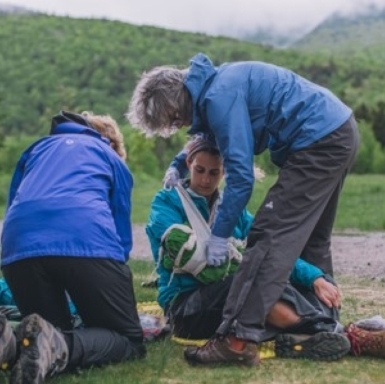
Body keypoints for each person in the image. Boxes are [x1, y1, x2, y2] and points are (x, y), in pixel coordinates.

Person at [127, 52, 360, 366]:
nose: (177, 126)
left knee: (269, 234)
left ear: (175, 103)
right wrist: (177, 163)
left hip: (317, 140)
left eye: (172, 120)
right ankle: (323, 325)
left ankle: (237, 341)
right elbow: (204, 139)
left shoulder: (218, 98)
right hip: (338, 130)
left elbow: (240, 176)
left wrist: (219, 236)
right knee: (311, 238)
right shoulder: (215, 86)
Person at [146, 135, 350, 362]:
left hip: (227, 301)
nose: (205, 180)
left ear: (223, 172)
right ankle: (320, 328)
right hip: (185, 309)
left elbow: (268, 249)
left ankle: (306, 333)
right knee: (248, 281)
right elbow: (189, 255)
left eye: (214, 173)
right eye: (199, 170)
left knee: (294, 281)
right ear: (188, 165)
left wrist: (314, 278)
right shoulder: (166, 203)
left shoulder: (233, 211)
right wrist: (246, 262)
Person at [0, 111, 146, 382]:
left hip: (17, 247)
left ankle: (8, 344)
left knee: (48, 331)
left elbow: (14, 207)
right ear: (111, 143)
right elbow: (121, 238)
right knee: (127, 340)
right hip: (85, 239)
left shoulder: (37, 148)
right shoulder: (110, 157)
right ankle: (58, 346)